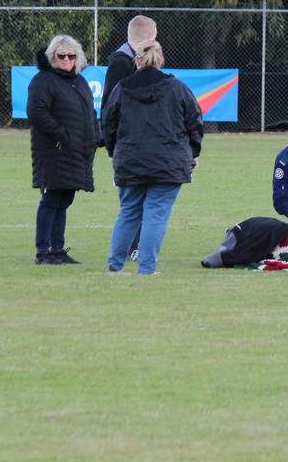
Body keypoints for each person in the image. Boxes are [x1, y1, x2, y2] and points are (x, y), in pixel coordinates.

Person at [104, 40, 202, 275]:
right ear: (161, 60)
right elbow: (195, 122)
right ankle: (147, 268)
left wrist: (113, 152)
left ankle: (115, 266)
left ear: (136, 60)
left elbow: (108, 123)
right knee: (156, 215)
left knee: (128, 212)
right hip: (169, 162)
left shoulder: (122, 88)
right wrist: (193, 152)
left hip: (130, 161)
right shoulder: (177, 88)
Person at [27, 35, 100, 265]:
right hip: (54, 151)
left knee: (65, 199)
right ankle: (44, 250)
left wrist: (95, 135)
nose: (67, 59)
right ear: (52, 56)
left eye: (71, 55)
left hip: (77, 151)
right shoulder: (43, 80)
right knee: (51, 199)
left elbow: (90, 113)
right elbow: (37, 112)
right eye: (62, 55)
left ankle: (57, 249)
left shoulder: (79, 81)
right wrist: (61, 134)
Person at [104, 14, 156, 261]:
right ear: (150, 37)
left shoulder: (133, 62)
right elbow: (110, 107)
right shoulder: (121, 63)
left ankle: (136, 246)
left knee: (143, 197)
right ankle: (132, 248)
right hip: (129, 144)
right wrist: (113, 147)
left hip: (142, 142)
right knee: (133, 201)